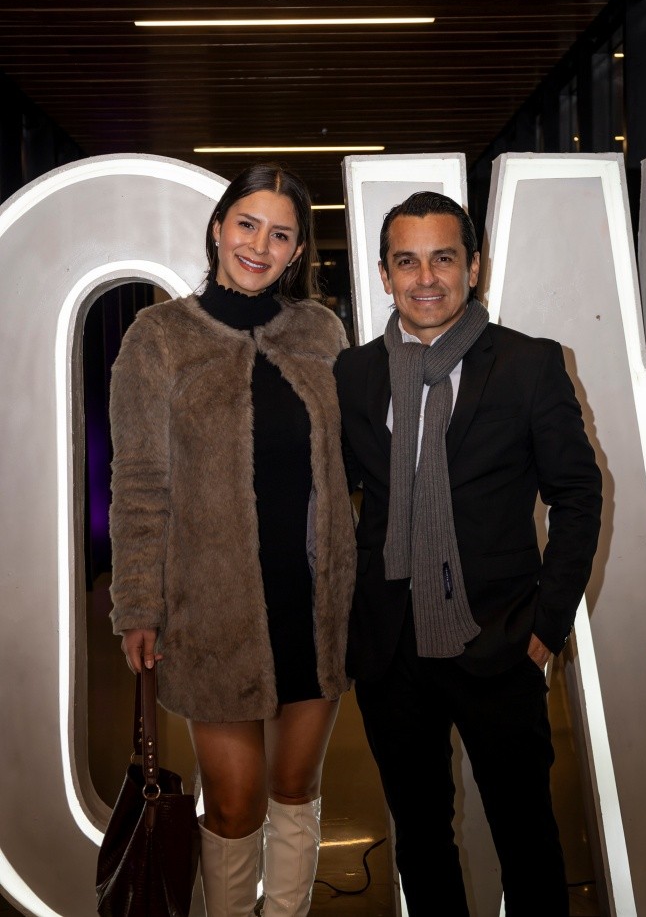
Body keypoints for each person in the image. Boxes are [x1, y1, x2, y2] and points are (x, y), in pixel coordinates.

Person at [334, 191, 602, 916]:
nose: (426, 278)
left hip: (500, 640)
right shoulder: (354, 375)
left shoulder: (528, 364)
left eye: (443, 259)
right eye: (407, 261)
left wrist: (547, 624)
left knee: (528, 840)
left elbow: (578, 494)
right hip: (391, 651)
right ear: (384, 274)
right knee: (421, 842)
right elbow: (335, 500)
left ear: (473, 267)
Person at [108, 163, 357, 917]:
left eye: (280, 234)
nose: (259, 245)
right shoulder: (158, 339)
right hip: (211, 611)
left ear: (297, 250)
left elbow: (350, 463)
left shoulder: (321, 332)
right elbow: (140, 483)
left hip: (314, 605)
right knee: (233, 802)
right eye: (247, 224)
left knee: (296, 787)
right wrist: (137, 603)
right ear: (218, 228)